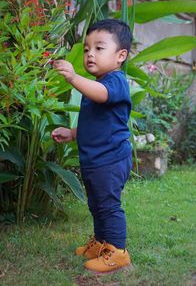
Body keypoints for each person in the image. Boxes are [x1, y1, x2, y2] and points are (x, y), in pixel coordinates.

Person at [51, 18, 133, 274]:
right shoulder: (95, 84)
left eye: (99, 48)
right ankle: (101, 244)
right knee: (96, 204)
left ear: (121, 55)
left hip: (110, 160)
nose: (89, 54)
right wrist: (73, 133)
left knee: (108, 205)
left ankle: (118, 252)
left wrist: (74, 77)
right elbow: (97, 123)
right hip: (95, 160)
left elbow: (102, 94)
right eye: (87, 48)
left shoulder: (114, 82)